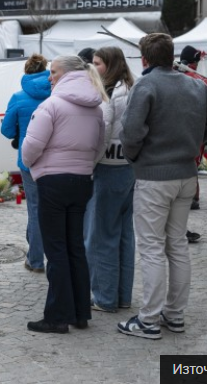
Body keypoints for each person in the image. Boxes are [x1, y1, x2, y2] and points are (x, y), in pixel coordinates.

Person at [118, 33, 207, 340]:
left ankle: (149, 320)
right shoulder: (194, 84)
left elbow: (131, 132)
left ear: (144, 59)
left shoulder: (146, 85)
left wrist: (135, 156)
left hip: (154, 176)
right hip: (186, 174)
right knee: (176, 245)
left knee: (152, 248)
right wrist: (193, 140)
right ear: (171, 56)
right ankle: (174, 314)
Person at [21, 55, 107, 334]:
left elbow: (31, 147)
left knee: (56, 250)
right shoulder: (95, 107)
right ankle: (80, 313)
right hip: (82, 181)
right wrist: (83, 166)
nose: (50, 77)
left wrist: (33, 166)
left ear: (67, 74)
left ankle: (57, 316)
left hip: (53, 181)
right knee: (75, 247)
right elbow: (99, 146)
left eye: (54, 72)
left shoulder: (52, 105)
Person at [85, 47, 136, 313]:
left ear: (110, 64)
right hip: (128, 167)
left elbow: (103, 132)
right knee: (124, 235)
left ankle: (104, 297)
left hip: (108, 167)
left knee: (101, 236)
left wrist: (90, 165)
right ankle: (122, 295)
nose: (93, 67)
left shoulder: (110, 92)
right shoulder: (131, 87)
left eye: (97, 63)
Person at [1, 54, 52, 273]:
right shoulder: (56, 94)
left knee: (35, 208)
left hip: (29, 160)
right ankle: (55, 258)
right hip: (55, 160)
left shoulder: (18, 97)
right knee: (55, 209)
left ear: (27, 70)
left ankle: (36, 260)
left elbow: (6, 130)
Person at [178, 45, 207, 232]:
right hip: (194, 129)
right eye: (196, 61)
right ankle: (191, 197)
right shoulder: (194, 78)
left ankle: (190, 197)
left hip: (183, 129)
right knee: (192, 165)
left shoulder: (181, 75)